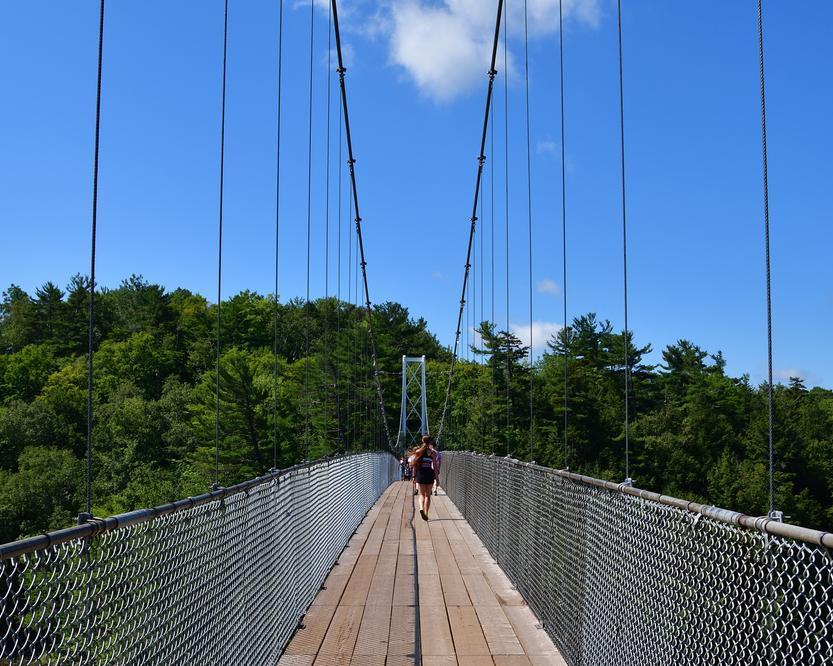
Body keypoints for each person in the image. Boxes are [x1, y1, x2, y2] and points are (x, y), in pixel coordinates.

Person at [411, 436, 437, 521]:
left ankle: (421, 508)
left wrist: (414, 477)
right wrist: (437, 479)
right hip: (429, 474)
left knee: (421, 495)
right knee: (428, 496)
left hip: (420, 474)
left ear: (422, 441)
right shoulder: (432, 453)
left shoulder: (418, 452)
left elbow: (415, 466)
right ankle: (426, 513)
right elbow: (435, 468)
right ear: (430, 442)